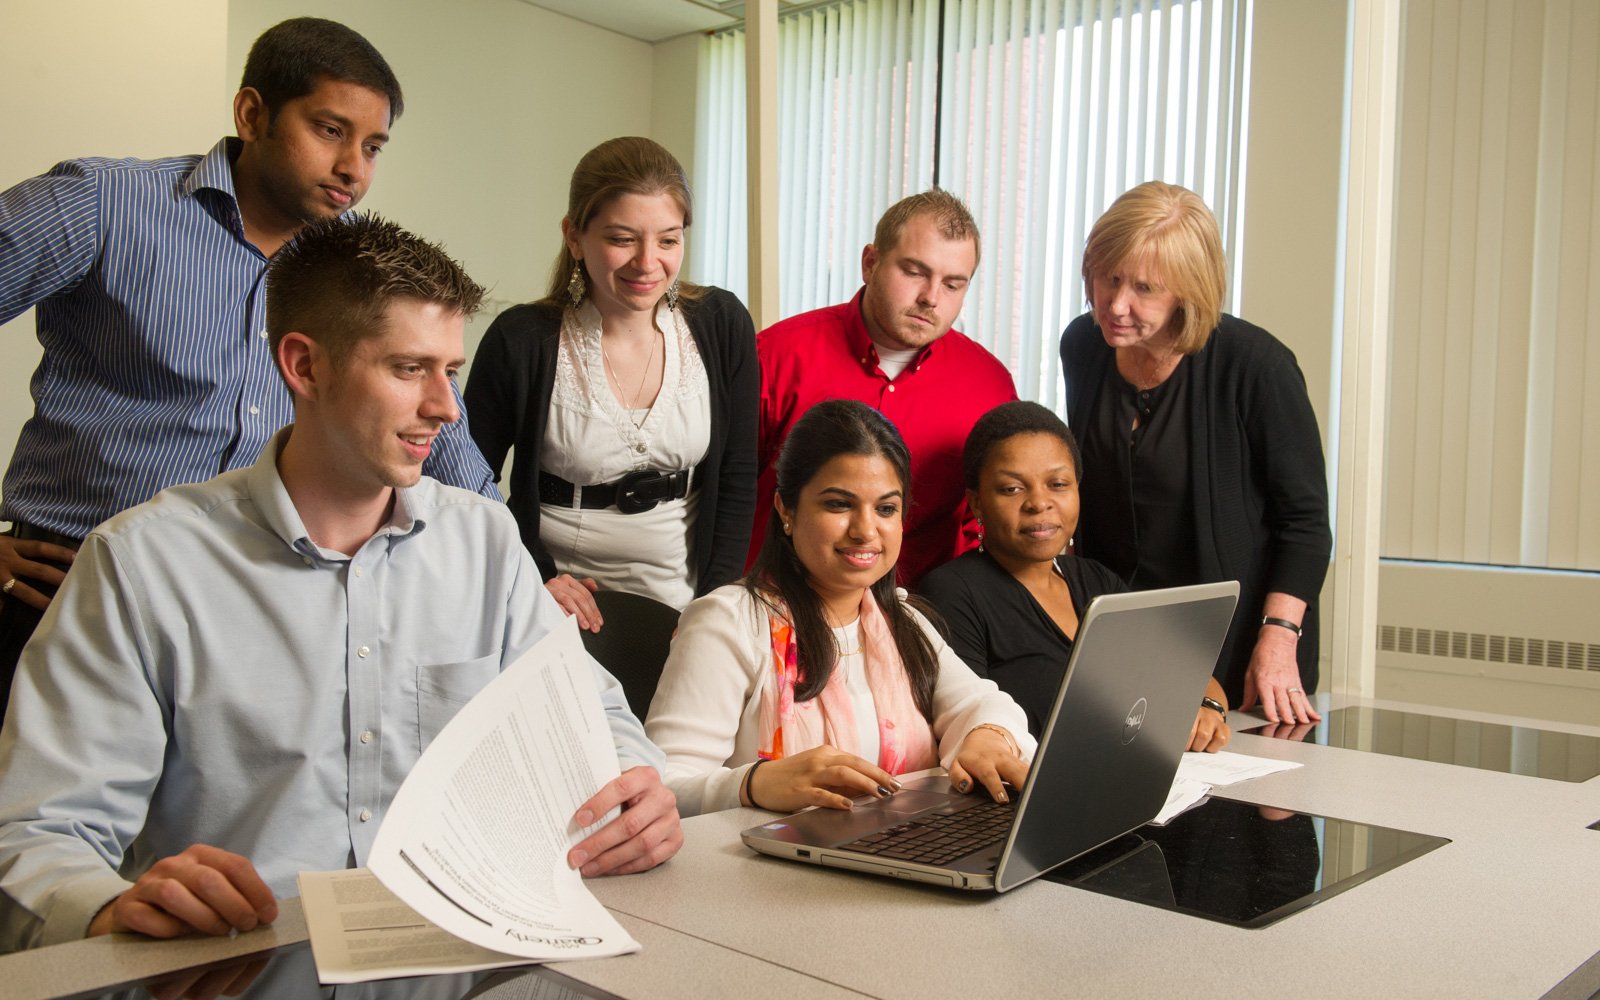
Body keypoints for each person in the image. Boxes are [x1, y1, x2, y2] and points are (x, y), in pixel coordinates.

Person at [0, 215, 680, 952]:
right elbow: (39, 836)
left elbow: (595, 723)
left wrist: (639, 786)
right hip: (238, 964)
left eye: (449, 371)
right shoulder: (143, 566)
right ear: (305, 367)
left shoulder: (483, 544)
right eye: (408, 369)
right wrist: (109, 908)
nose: (446, 409)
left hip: (464, 954)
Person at [0, 17, 498, 713]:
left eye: (374, 145)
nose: (354, 167)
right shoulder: (102, 206)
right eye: (330, 131)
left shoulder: (360, 265)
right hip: (66, 590)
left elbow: (437, 423)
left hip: (256, 607)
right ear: (253, 113)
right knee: (42, 818)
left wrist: (513, 570)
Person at [646, 399, 1034, 818]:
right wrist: (753, 783)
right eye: (839, 504)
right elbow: (662, 785)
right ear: (786, 510)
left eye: (886, 508)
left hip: (894, 858)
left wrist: (988, 736)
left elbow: (985, 704)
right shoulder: (729, 622)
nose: (866, 530)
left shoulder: (901, 622)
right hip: (765, 871)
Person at [1059, 181, 1331, 724]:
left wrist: (1278, 642)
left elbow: (1304, 523)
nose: (1116, 305)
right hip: (1127, 639)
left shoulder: (1257, 367)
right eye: (1108, 277)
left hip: (1240, 648)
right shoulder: (1084, 347)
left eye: (1144, 288)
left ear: (1189, 290)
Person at [466, 137, 757, 624]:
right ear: (575, 237)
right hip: (557, 594)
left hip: (685, 594)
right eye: (622, 239)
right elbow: (468, 483)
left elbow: (737, 476)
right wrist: (534, 576)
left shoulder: (721, 323)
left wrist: (715, 602)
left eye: (667, 240)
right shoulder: (521, 339)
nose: (647, 263)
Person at [919, 401, 1232, 752]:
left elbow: (1193, 675)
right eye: (1012, 489)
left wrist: (1208, 710)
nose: (1039, 503)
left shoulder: (1097, 580)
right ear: (976, 503)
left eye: (1057, 484)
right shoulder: (951, 593)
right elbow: (970, 725)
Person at [752, 189, 1016, 587]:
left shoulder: (989, 385)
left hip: (918, 613)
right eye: (914, 272)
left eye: (953, 284)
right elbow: (725, 495)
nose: (930, 298)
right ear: (870, 263)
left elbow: (986, 521)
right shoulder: (775, 355)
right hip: (777, 605)